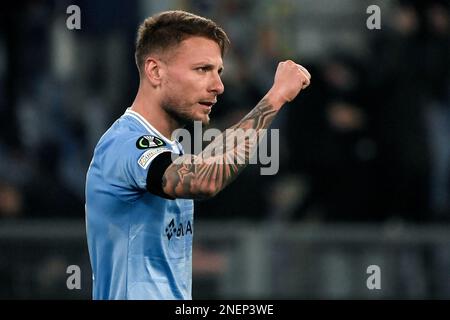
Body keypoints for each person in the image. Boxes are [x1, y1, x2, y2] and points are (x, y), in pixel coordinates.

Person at [85, 10, 310, 300]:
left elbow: (211, 158)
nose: (218, 86)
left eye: (219, 71)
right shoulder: (125, 143)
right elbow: (205, 181)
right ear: (155, 71)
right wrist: (275, 97)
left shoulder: (169, 149)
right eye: (202, 69)